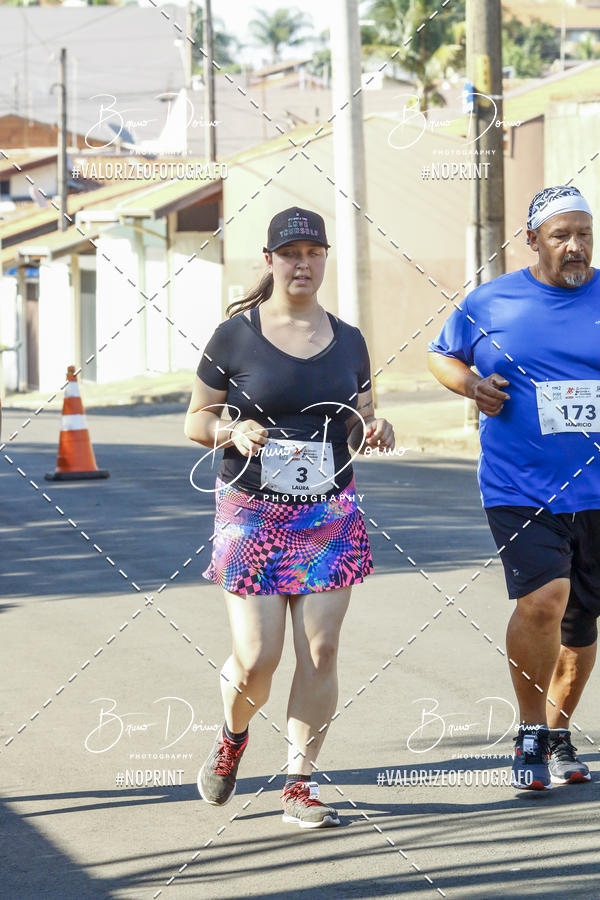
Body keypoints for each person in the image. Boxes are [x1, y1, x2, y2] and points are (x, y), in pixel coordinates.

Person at [185, 207, 395, 826]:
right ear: (270, 261)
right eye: (290, 253)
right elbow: (195, 419)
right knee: (257, 656)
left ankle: (299, 784)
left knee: (321, 649)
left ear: (325, 259)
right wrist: (230, 430)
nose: (302, 263)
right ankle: (232, 735)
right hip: (251, 510)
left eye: (313, 252)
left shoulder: (350, 338)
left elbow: (359, 413)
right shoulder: (235, 335)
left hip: (328, 509)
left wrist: (376, 425)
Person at [428, 185, 598, 791]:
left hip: (597, 491)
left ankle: (557, 733)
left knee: (582, 620)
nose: (576, 247)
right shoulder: (491, 302)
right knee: (544, 601)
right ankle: (529, 732)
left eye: (584, 233)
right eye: (561, 236)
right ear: (532, 241)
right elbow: (440, 355)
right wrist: (472, 386)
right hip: (520, 485)